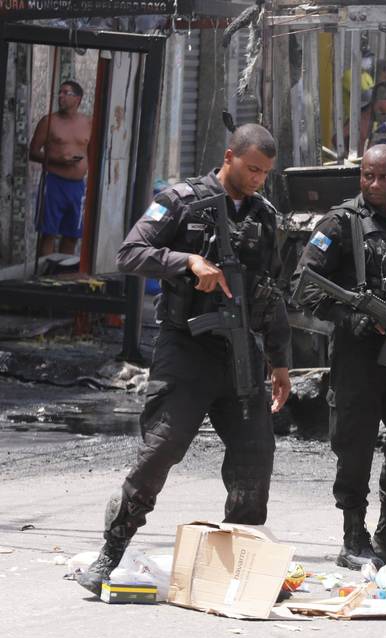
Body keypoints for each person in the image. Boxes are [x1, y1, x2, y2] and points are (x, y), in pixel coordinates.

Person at [75, 124, 292, 596]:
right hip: (186, 349)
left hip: (241, 354)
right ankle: (110, 553)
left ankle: (243, 568)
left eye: (265, 173)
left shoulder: (265, 215)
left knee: (255, 458)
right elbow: (130, 253)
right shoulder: (178, 201)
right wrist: (186, 262)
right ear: (229, 156)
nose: (258, 179)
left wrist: (279, 360)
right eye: (252, 169)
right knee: (160, 452)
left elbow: (272, 292)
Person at [292, 144, 386, 569]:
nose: (375, 184)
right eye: (367, 176)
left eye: (384, 177)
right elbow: (303, 286)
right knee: (355, 446)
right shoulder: (340, 224)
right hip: (358, 358)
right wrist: (347, 317)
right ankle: (352, 534)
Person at [29, 80, 92, 257]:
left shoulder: (87, 123)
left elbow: (92, 155)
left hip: (78, 186)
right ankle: (43, 277)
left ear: (78, 99)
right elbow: (33, 153)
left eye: (66, 93)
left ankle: (62, 276)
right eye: (60, 92)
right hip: (53, 183)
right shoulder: (49, 122)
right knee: (48, 233)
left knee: (72, 235)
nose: (60, 96)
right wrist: (58, 159)